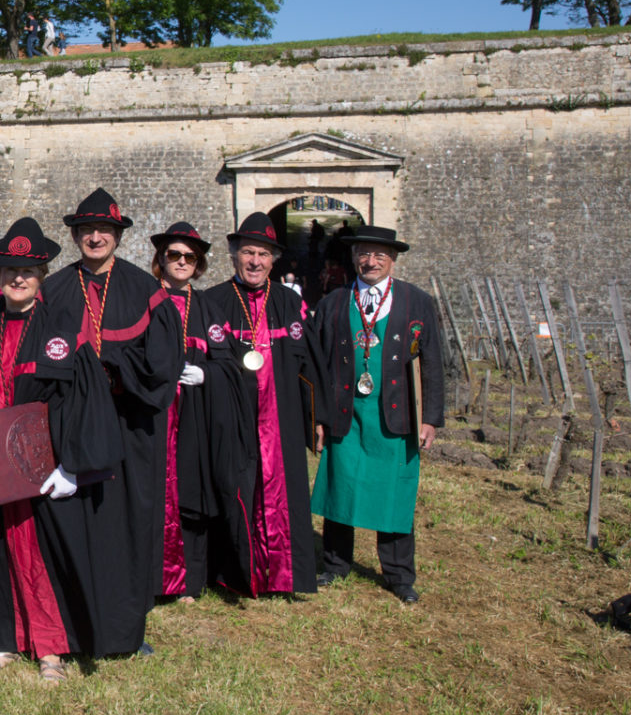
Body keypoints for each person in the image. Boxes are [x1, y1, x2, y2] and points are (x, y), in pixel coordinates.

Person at [0, 218, 122, 682]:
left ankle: (51, 649)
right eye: (10, 271)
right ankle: (1, 641)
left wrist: (74, 465)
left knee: (43, 559)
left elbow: (85, 400)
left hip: (45, 473)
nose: (18, 279)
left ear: (41, 277)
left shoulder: (63, 329)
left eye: (29, 271)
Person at [41, 187, 184, 656]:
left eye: (104, 230)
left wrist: (114, 375)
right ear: (76, 235)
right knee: (75, 519)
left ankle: (127, 627)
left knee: (127, 523)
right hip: (72, 427)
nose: (95, 237)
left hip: (129, 425)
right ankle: (71, 621)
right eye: (86, 230)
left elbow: (163, 365)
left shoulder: (147, 291)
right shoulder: (55, 289)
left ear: (118, 236)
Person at [307, 226, 443, 604]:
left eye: (379, 255)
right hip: (344, 413)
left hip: (396, 416)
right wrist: (316, 415)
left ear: (393, 260)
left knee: (395, 495)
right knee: (340, 487)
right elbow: (317, 363)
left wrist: (430, 417)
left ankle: (399, 575)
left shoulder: (418, 302)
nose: (371, 261)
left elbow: (432, 362)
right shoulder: (334, 302)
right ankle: (335, 565)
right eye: (364, 254)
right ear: (354, 258)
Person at [198, 212, 320, 597]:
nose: (255, 261)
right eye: (248, 252)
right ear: (234, 255)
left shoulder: (290, 303)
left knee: (287, 495)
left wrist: (317, 418)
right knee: (235, 491)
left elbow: (309, 365)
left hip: (280, 419)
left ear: (274, 259)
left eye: (263, 255)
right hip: (233, 419)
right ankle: (234, 574)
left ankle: (285, 576)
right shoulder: (212, 301)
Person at [149, 221, 216, 603]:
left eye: (190, 257)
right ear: (161, 259)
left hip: (194, 413)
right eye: (173, 255)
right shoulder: (147, 298)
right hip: (156, 412)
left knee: (190, 492)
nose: (181, 262)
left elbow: (227, 360)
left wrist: (206, 373)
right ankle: (154, 579)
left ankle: (188, 580)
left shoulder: (207, 305)